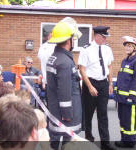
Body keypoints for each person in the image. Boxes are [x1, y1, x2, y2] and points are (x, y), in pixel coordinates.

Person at [46, 17, 82, 150]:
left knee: (54, 138)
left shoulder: (54, 57)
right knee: (68, 141)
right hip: (66, 114)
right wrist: (67, 114)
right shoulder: (65, 62)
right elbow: (65, 91)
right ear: (68, 40)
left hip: (55, 108)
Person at [78, 26, 115, 150]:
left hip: (103, 83)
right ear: (97, 36)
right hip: (90, 82)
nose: (105, 39)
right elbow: (82, 69)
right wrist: (89, 87)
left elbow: (110, 66)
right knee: (88, 114)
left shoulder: (107, 49)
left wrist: (110, 83)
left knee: (103, 114)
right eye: (104, 37)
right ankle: (89, 139)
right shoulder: (86, 49)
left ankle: (105, 143)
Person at [114, 36, 136, 148]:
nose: (127, 47)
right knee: (123, 120)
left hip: (129, 99)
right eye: (126, 45)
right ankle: (124, 139)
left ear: (135, 48)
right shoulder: (124, 61)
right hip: (121, 98)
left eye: (130, 46)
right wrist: (116, 90)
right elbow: (120, 77)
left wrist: (132, 96)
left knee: (130, 121)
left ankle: (130, 141)